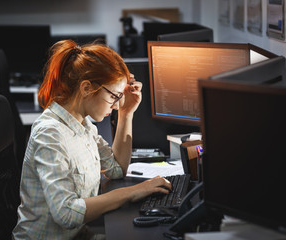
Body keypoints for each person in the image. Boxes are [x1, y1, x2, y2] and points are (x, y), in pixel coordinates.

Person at [12, 40, 172, 239]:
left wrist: (126, 113)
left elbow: (116, 169)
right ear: (87, 88)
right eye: (114, 96)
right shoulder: (50, 134)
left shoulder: (83, 124)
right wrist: (132, 192)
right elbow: (67, 213)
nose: (115, 105)